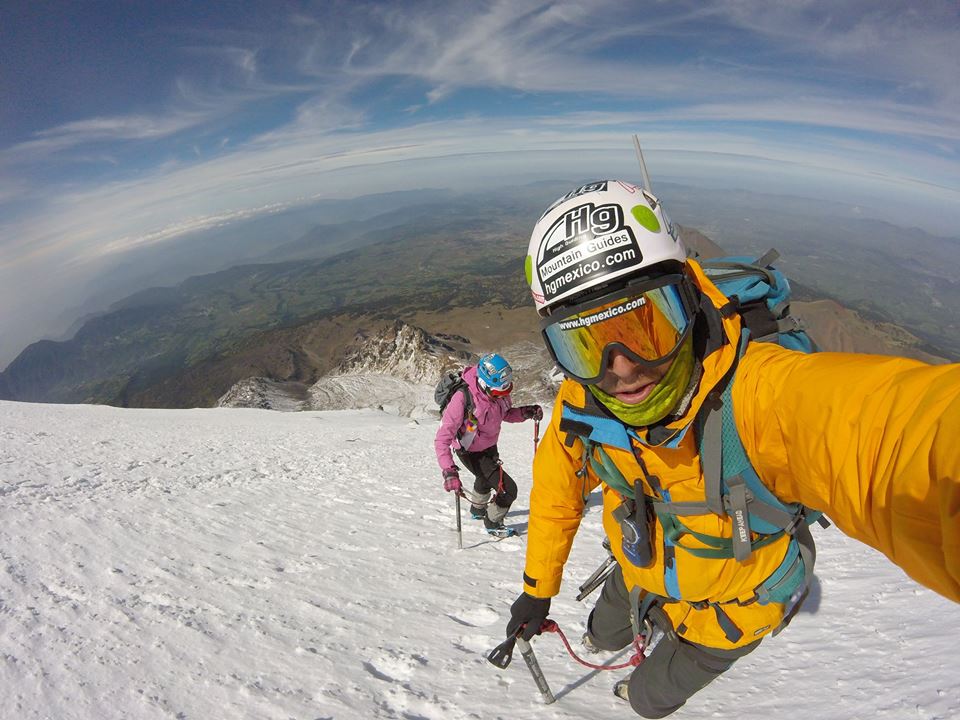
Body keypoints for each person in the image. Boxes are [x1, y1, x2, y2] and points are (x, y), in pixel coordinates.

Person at [504, 180, 960, 717]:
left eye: (648, 324)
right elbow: (558, 491)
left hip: (731, 614)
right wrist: (538, 588)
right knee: (601, 633)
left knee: (649, 702)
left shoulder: (763, 396)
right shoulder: (582, 403)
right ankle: (612, 645)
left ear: (690, 301)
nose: (622, 370)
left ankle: (635, 690)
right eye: (585, 345)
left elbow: (902, 439)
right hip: (640, 572)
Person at [435, 352, 543, 538]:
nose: (503, 395)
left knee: (484, 478)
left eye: (506, 390)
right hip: (469, 451)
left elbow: (505, 414)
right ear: (484, 384)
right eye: (499, 391)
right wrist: (448, 470)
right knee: (508, 490)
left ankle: (477, 511)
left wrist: (525, 412)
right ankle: (492, 522)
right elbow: (442, 438)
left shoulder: (496, 393)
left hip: (489, 446)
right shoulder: (462, 399)